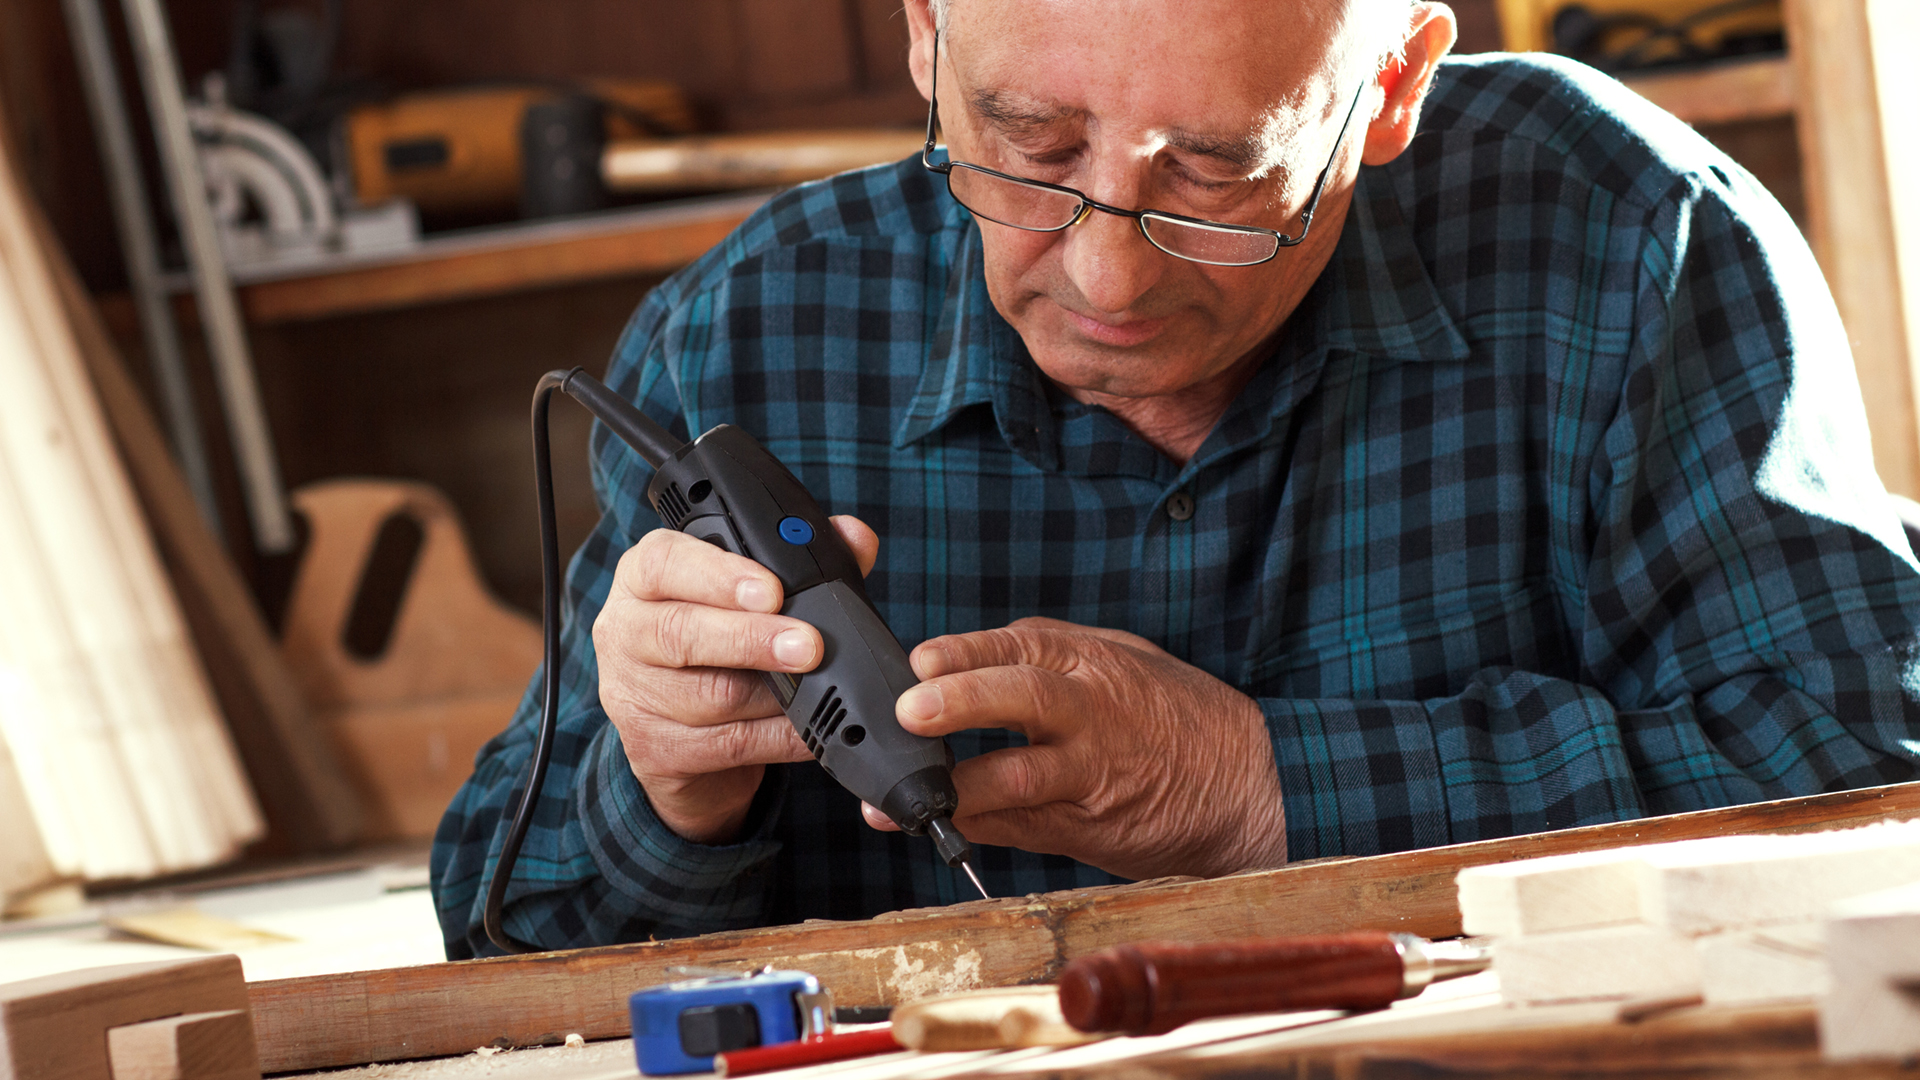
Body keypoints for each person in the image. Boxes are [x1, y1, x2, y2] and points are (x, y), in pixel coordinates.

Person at [431, 0, 1920, 957]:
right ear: (925, 38)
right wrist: (665, 788)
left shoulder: (1623, 239)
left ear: (1392, 82)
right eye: (1025, 146)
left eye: (1212, 175)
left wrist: (1256, 789)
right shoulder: (752, 330)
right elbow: (494, 935)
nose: (1105, 272)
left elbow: (1867, 770)